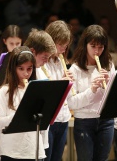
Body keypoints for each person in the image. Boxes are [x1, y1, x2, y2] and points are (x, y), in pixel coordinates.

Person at [68, 25, 115, 161]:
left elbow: (112, 99)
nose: (97, 51)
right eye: (93, 46)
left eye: (101, 47)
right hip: (84, 121)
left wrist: (107, 86)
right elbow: (72, 103)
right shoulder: (75, 69)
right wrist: (92, 90)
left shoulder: (109, 65)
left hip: (106, 121)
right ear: (85, 45)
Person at [0, 46, 46, 161]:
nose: (26, 73)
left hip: (33, 149)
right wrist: (18, 114)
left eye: (29, 69)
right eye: (21, 69)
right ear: (13, 69)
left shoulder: (37, 90)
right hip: (11, 152)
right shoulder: (4, 92)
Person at [44, 20, 73, 161]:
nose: (63, 49)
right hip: (49, 120)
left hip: (63, 117)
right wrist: (61, 84)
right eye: (60, 45)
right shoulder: (42, 62)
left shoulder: (60, 62)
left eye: (65, 46)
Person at [23, 28, 56, 151]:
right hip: (22, 142)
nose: (47, 61)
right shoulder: (17, 73)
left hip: (40, 138)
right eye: (45, 57)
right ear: (32, 51)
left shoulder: (42, 72)